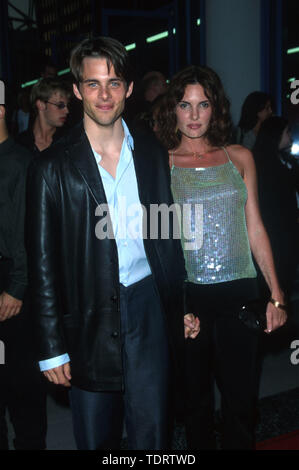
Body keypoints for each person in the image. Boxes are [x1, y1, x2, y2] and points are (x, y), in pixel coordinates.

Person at [26, 37, 199, 451]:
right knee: (96, 437)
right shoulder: (51, 167)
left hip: (148, 306)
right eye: (93, 84)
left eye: (114, 83)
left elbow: (167, 236)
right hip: (87, 316)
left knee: (152, 433)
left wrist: (182, 304)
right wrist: (51, 348)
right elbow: (43, 264)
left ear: (130, 89)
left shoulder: (152, 153)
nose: (104, 95)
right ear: (76, 89)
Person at [157, 65, 287, 449]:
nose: (194, 115)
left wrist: (276, 294)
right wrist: (169, 306)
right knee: (194, 403)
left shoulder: (239, 157)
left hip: (241, 294)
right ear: (173, 110)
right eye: (185, 104)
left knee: (241, 402)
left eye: (203, 104)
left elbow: (256, 228)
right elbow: (160, 244)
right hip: (190, 298)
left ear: (216, 109)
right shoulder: (159, 165)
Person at [0, 104, 47, 449]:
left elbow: (26, 234)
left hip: (11, 279)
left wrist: (16, 287)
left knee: (21, 383)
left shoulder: (19, 162)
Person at [252, 116, 299, 300]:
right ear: (276, 135)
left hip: (285, 236)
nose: (290, 137)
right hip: (273, 237)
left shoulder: (283, 159)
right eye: (287, 132)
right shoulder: (262, 164)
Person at [16, 77, 71, 155]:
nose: (67, 111)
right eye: (60, 105)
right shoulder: (20, 145)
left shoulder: (68, 142)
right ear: (41, 105)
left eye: (67, 105)